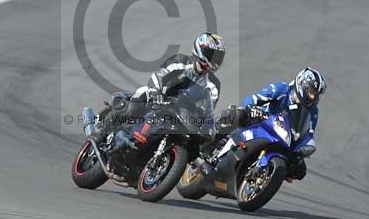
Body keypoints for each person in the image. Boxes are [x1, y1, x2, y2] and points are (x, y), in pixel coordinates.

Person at [94, 33, 226, 144]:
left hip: (181, 117)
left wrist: (207, 126)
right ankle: (101, 132)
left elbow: (208, 109)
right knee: (142, 95)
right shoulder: (180, 61)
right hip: (159, 101)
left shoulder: (214, 85)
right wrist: (155, 91)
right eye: (211, 54)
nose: (215, 59)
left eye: (218, 56)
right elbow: (158, 77)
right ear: (200, 49)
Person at [238, 67, 327, 180]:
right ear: (302, 86)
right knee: (238, 113)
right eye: (312, 92)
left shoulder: (313, 111)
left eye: (317, 94)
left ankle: (268, 176)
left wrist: (306, 146)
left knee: (300, 171)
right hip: (260, 122)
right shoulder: (282, 89)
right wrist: (252, 108)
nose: (313, 97)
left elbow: (309, 133)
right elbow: (254, 98)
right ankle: (213, 136)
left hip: (284, 138)